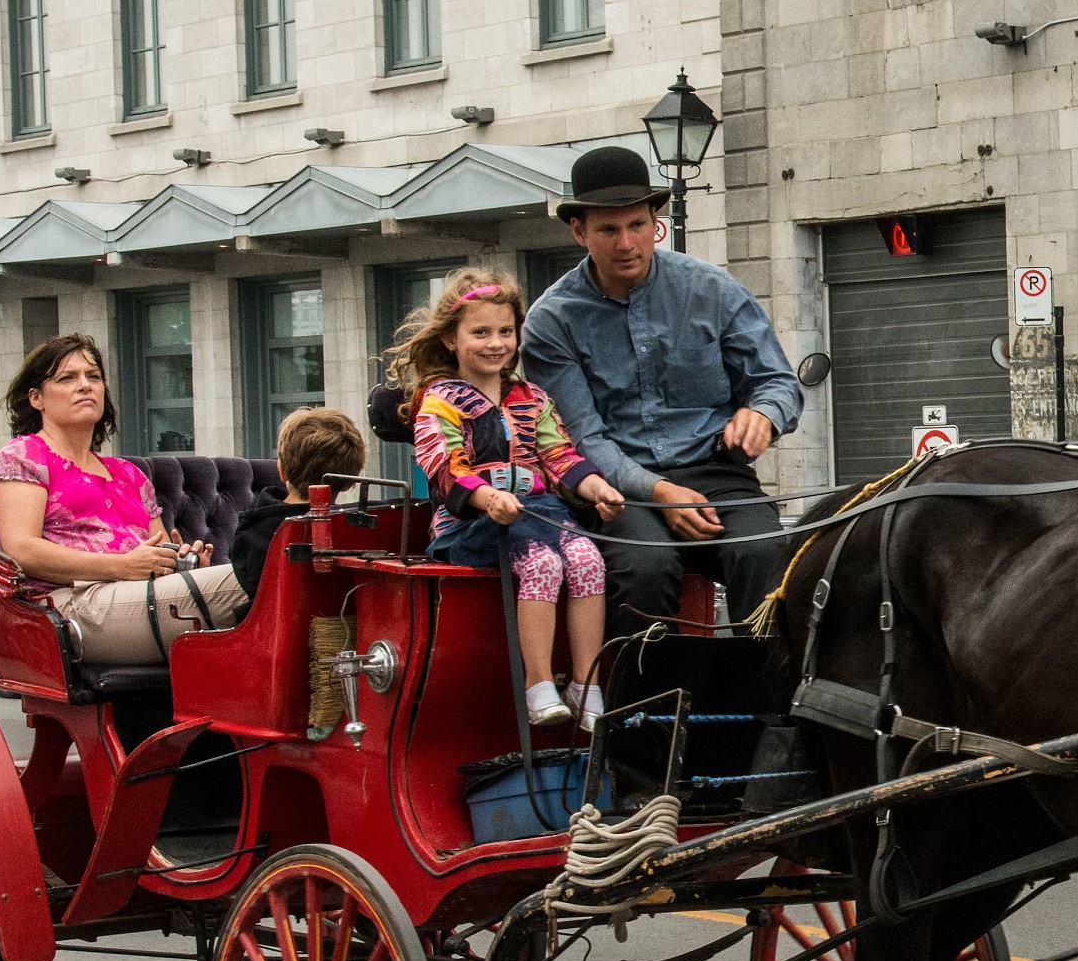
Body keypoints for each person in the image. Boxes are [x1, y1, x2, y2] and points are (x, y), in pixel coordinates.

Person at [522, 145, 801, 627]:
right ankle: (641, 700)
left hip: (717, 472)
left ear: (657, 222)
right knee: (645, 568)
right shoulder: (551, 321)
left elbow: (777, 382)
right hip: (616, 488)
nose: (626, 243)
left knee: (767, 553)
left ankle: (764, 695)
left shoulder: (713, 289)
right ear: (579, 230)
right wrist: (658, 491)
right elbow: (582, 437)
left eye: (637, 226)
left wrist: (764, 414)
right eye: (608, 230)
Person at [391, 268, 628, 728]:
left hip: (539, 511)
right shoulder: (439, 400)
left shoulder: (531, 397)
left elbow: (558, 453)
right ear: (450, 340)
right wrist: (486, 499)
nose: (495, 343)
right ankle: (538, 684)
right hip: (472, 524)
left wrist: (596, 487)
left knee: (587, 559)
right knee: (544, 563)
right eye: (479, 332)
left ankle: (585, 684)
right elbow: (443, 468)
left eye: (505, 331)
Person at [0, 334, 244, 663]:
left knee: (265, 584)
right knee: (255, 580)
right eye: (67, 378)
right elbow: (21, 551)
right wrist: (121, 566)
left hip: (139, 600)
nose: (85, 385)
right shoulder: (23, 457)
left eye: (93, 376)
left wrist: (185, 567)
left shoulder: (128, 474)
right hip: (69, 607)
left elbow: (157, 554)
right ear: (36, 398)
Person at [227, 406, 368, 600]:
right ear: (349, 481)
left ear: (281, 469)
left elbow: (250, 585)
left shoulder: (257, 531)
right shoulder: (362, 525)